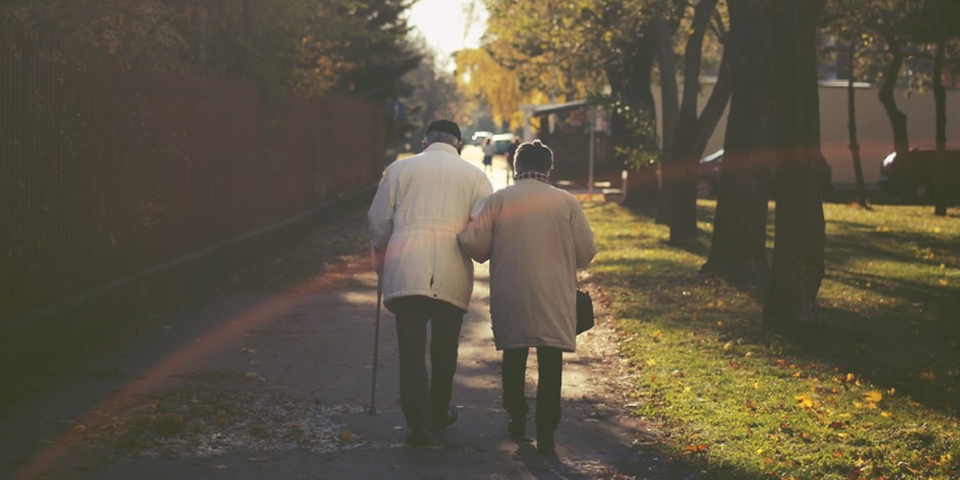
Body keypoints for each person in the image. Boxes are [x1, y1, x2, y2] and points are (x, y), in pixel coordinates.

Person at [457, 140, 597, 455]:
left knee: (514, 355)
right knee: (551, 361)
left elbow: (476, 246)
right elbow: (586, 251)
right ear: (549, 168)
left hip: (511, 290)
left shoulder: (498, 201)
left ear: (515, 166)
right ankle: (546, 428)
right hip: (555, 293)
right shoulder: (566, 202)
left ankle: (516, 415)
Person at [368, 120, 493, 446]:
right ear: (458, 145)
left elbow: (378, 220)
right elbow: (482, 229)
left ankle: (418, 422)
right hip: (452, 269)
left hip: (407, 265)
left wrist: (380, 258)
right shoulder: (476, 176)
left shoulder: (399, 170)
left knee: (410, 348)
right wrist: (477, 253)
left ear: (425, 142)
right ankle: (438, 412)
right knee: (445, 347)